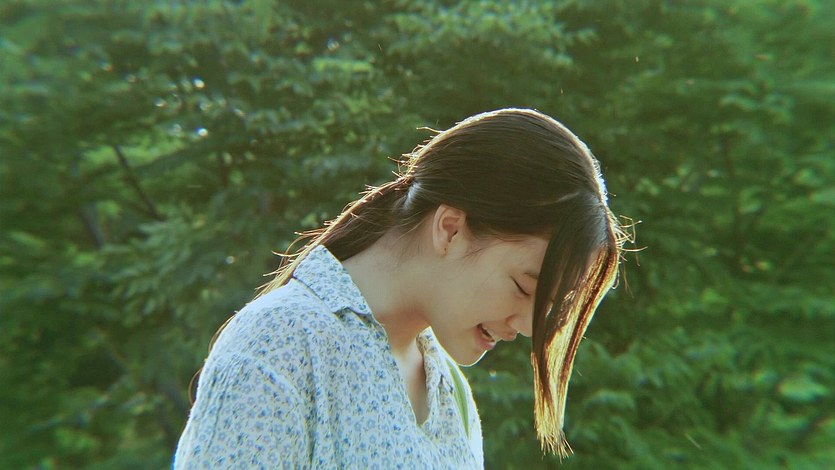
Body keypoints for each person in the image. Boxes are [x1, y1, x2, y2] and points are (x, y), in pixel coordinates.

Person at [173, 108, 625, 468]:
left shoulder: (450, 393)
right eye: (525, 288)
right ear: (450, 229)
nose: (527, 326)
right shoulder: (282, 343)